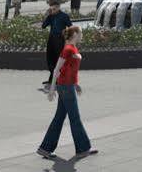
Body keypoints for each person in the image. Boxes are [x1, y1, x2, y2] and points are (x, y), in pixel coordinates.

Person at [37, 26, 97, 160]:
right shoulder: (68, 49)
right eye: (80, 33)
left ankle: (45, 148)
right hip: (65, 87)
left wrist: (76, 84)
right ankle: (83, 149)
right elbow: (57, 69)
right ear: (75, 34)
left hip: (68, 86)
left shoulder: (72, 48)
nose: (82, 35)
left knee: (59, 118)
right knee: (75, 118)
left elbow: (70, 69)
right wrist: (52, 89)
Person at [41, 1, 73, 86]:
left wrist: (67, 39)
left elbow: (71, 27)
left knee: (58, 60)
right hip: (51, 39)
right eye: (51, 9)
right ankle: (52, 79)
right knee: (50, 59)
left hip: (59, 39)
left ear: (58, 7)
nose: (53, 11)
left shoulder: (64, 16)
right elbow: (43, 26)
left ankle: (60, 79)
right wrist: (47, 15)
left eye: (54, 9)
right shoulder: (51, 16)